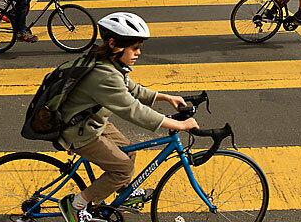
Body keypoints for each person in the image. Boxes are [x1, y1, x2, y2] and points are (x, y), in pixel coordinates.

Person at [58, 12, 199, 222]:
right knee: (122, 169)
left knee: (128, 151)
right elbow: (133, 110)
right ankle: (75, 204)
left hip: (90, 121)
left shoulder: (108, 62)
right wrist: (178, 124)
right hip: (77, 131)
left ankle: (124, 193)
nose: (138, 53)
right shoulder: (103, 75)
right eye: (134, 48)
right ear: (114, 43)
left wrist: (165, 97)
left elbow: (131, 89)